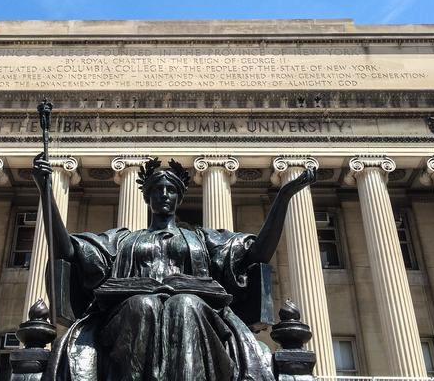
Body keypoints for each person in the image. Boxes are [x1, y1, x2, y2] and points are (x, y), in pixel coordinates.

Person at [32, 156, 315, 381]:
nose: (164, 195)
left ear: (180, 198)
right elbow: (67, 249)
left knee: (185, 305)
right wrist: (46, 191)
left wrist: (284, 198)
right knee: (142, 305)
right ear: (147, 197)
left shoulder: (202, 240)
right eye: (157, 190)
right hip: (128, 314)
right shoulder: (122, 240)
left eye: (170, 190)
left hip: (196, 312)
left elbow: (257, 253)